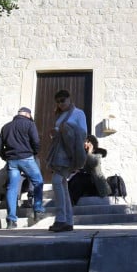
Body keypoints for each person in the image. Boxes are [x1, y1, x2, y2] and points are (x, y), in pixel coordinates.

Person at [0, 107, 46, 228]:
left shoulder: (6, 127)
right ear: (28, 115)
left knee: (11, 188)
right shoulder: (29, 124)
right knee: (38, 181)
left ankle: (11, 220)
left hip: (12, 161)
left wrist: (5, 157)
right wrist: (33, 153)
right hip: (27, 158)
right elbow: (36, 141)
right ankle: (38, 210)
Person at [46, 89, 87, 232]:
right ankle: (67, 221)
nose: (60, 104)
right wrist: (56, 132)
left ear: (69, 99)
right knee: (62, 185)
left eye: (63, 100)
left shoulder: (78, 113)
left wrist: (67, 129)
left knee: (57, 182)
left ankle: (61, 219)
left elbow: (83, 133)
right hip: (59, 152)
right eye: (58, 101)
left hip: (68, 154)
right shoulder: (61, 114)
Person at [68, 135, 110, 204]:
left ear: (92, 143)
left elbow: (94, 163)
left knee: (79, 179)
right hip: (89, 183)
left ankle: (72, 201)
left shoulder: (98, 154)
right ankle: (70, 200)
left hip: (97, 185)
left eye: (87, 142)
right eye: (84, 141)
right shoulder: (86, 154)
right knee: (74, 179)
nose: (84, 143)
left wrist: (90, 152)